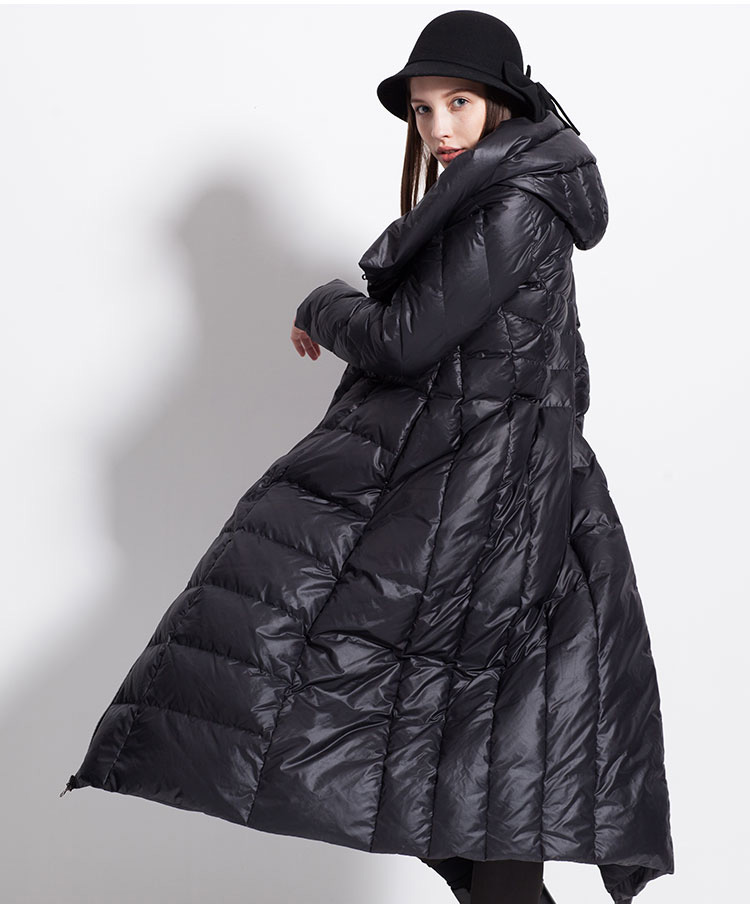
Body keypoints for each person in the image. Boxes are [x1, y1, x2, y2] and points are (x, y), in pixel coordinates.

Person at [61, 10, 674, 905]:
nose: (439, 128)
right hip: (496, 489)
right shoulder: (505, 191)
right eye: (423, 109)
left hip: (489, 502)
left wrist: (321, 304)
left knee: (473, 772)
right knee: (481, 783)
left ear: (503, 102)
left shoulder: (514, 202)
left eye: (459, 103)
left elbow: (405, 340)